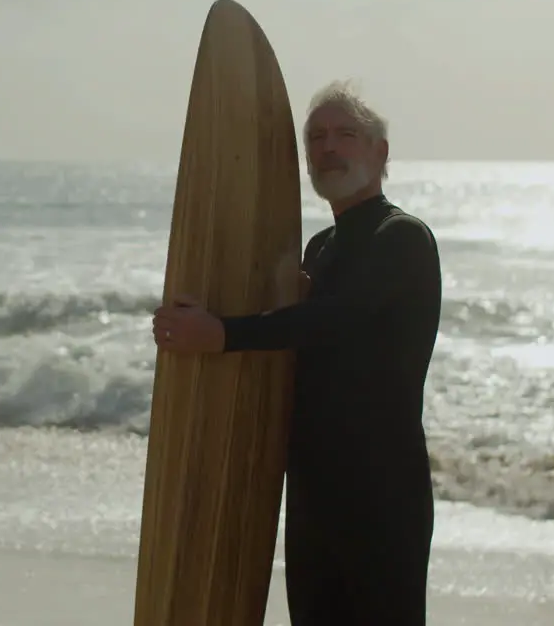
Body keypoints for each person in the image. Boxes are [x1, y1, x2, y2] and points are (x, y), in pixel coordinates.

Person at [151, 80, 443, 624]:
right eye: (316, 138)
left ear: (379, 153)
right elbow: (289, 345)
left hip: (382, 491)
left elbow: (332, 322)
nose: (328, 147)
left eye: (346, 135)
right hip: (311, 489)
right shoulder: (321, 249)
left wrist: (221, 335)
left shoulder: (401, 237)